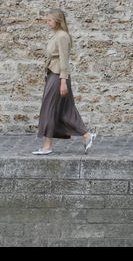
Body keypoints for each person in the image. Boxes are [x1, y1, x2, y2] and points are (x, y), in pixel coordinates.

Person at [33, 9, 95, 155]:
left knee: (48, 109)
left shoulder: (62, 36)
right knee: (64, 110)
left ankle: (47, 146)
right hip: (54, 75)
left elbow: (64, 60)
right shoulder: (57, 35)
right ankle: (86, 135)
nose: (47, 22)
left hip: (58, 76)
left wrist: (63, 81)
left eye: (49, 20)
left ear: (57, 21)